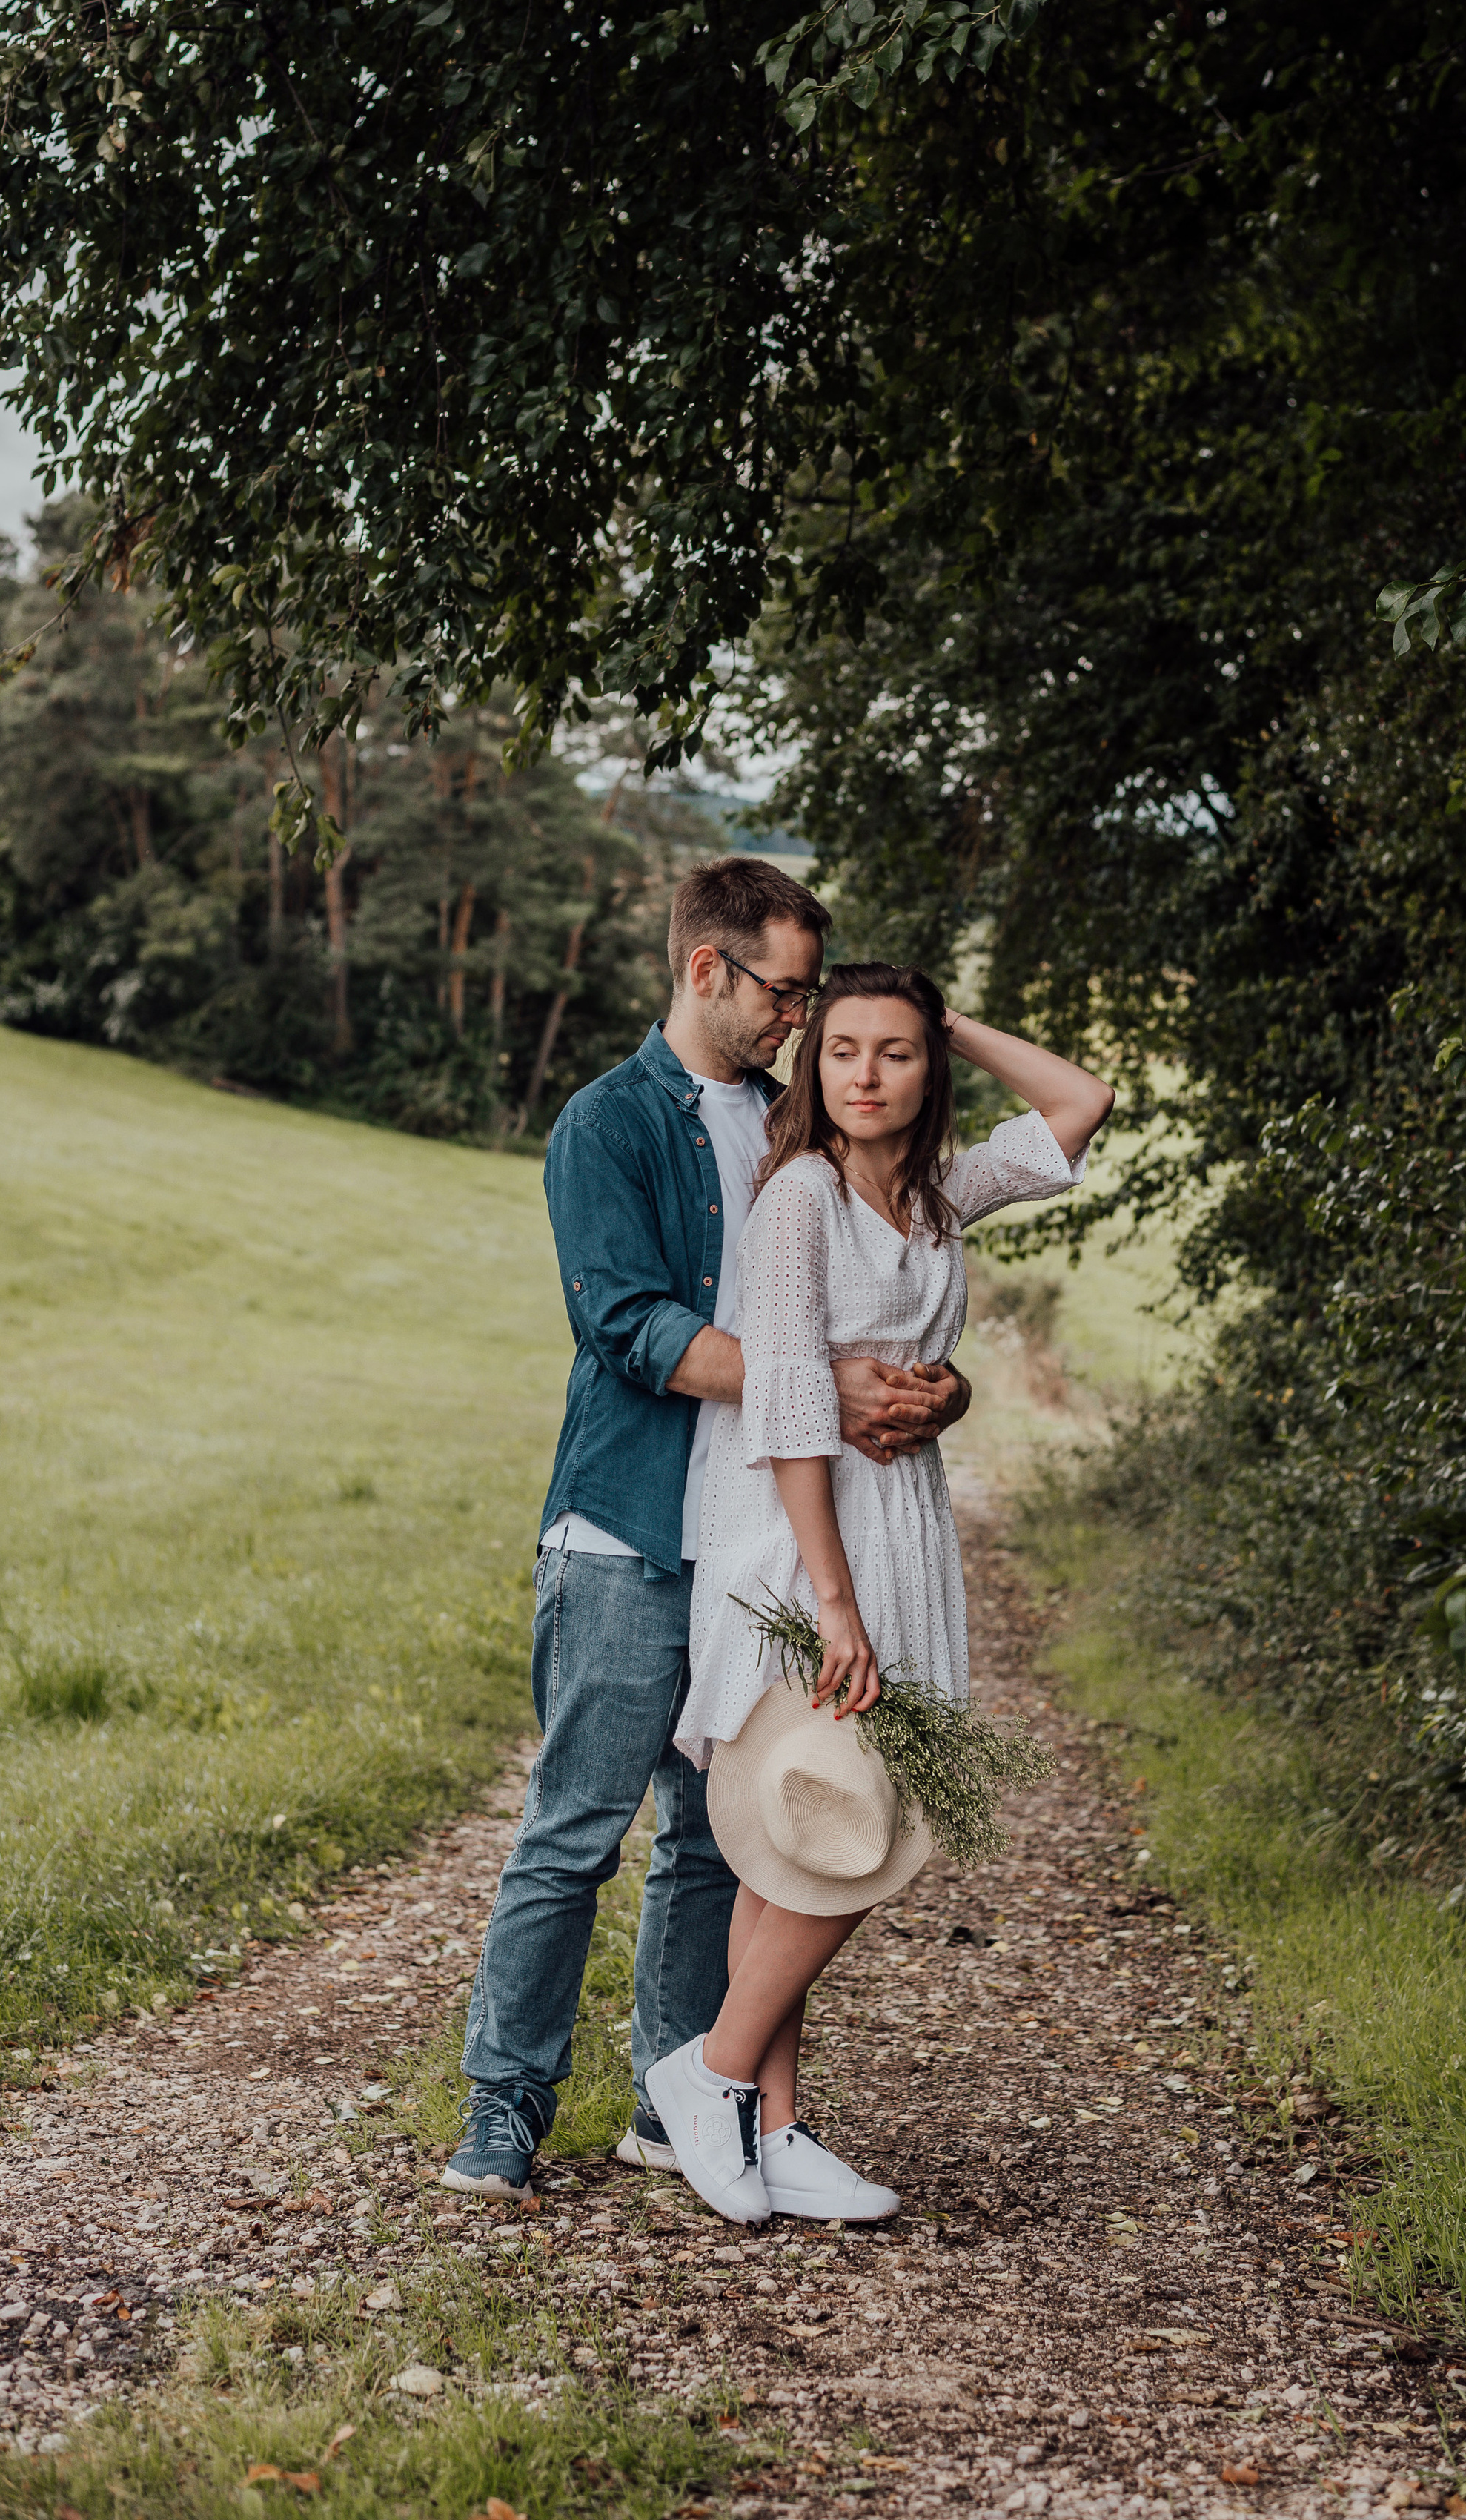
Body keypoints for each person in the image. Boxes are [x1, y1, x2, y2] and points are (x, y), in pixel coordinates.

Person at [444, 862, 972, 2198]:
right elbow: (627, 1326)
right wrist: (813, 1385)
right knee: (577, 1828)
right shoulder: (608, 1122)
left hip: (760, 1546)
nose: (802, 1016)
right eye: (785, 990)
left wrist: (938, 1386)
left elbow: (887, 1293)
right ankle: (505, 2107)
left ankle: (685, 2106)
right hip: (631, 1530)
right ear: (705, 970)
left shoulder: (801, 1120)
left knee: (722, 1835)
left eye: (813, 992)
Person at [645, 963, 1115, 2223]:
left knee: (803, 1830)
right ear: (815, 1067)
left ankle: (773, 2125)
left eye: (895, 1051)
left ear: (928, 1069)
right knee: (843, 1822)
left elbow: (1082, 1102)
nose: (862, 1072)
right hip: (808, 1530)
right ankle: (714, 2069)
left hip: (898, 1518)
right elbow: (792, 1399)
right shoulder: (798, 1196)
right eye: (841, 1047)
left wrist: (948, 1010)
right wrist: (833, 1601)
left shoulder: (937, 1194)